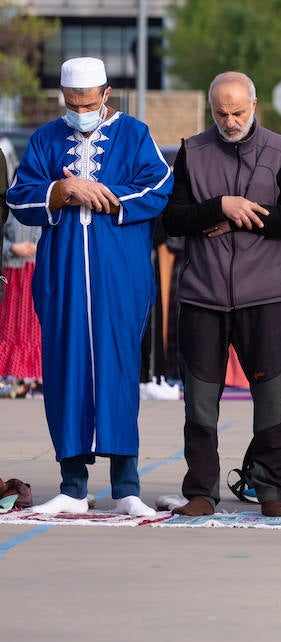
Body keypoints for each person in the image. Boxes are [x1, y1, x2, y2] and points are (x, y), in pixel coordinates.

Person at [4, 57, 172, 515]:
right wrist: (63, 190)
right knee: (66, 371)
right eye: (72, 102)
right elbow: (19, 196)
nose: (80, 109)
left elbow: (159, 186)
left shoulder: (135, 134)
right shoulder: (44, 139)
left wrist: (104, 194)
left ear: (106, 94)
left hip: (119, 275)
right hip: (62, 277)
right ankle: (72, 486)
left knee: (118, 368)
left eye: (88, 102)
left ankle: (126, 487)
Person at [158, 72, 281, 517]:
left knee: (271, 399)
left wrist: (244, 218)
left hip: (267, 295)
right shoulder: (192, 150)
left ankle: (270, 491)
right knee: (200, 401)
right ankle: (202, 492)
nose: (230, 121)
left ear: (255, 104)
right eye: (221, 113)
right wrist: (220, 206)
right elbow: (174, 218)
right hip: (203, 296)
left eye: (238, 112)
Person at [1, 215, 43, 397]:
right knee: (9, 323)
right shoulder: (8, 199)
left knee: (33, 325)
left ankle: (32, 377)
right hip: (11, 268)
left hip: (35, 268)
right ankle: (10, 376)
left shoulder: (42, 193)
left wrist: (39, 247)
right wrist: (12, 247)